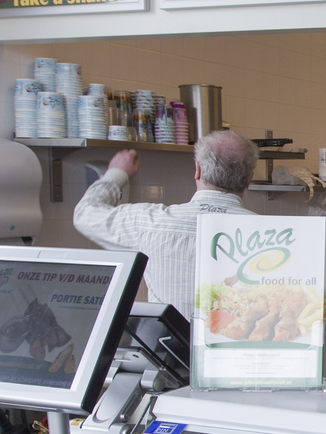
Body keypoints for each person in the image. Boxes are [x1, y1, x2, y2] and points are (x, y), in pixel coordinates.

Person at [74, 130, 259, 312]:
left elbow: (86, 213)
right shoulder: (274, 233)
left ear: (198, 170)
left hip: (165, 342)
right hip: (239, 340)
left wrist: (117, 173)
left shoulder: (149, 222)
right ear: (249, 179)